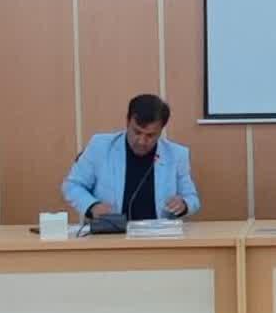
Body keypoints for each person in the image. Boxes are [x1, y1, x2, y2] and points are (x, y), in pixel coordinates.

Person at [61, 93, 199, 221]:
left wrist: (184, 204)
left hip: (159, 234)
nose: (142, 141)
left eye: (150, 135)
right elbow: (72, 185)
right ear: (127, 122)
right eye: (137, 132)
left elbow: (192, 199)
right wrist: (92, 206)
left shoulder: (176, 155)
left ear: (161, 130)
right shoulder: (100, 147)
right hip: (112, 232)